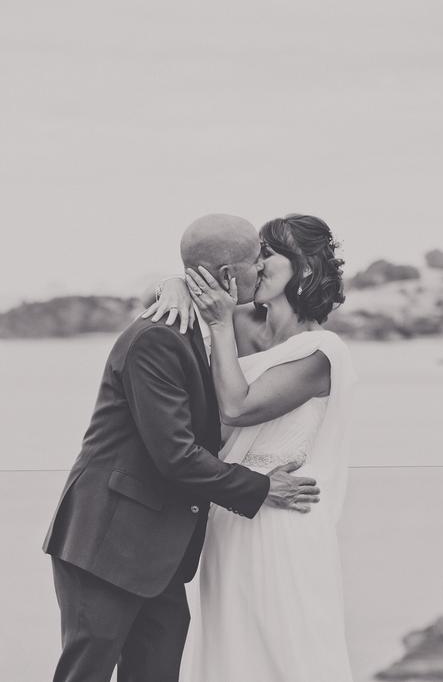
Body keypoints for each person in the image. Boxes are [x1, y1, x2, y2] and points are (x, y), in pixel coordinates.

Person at [42, 214, 321, 682]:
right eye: (257, 260)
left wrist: (175, 281)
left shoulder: (224, 327)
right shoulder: (157, 338)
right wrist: (262, 488)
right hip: (107, 543)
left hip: (160, 554)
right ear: (231, 276)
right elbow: (175, 456)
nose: (264, 268)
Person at [143, 213, 357, 682]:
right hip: (230, 513)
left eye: (267, 253)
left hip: (285, 519)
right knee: (233, 653)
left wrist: (219, 325)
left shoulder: (322, 352)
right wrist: (174, 284)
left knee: (293, 650)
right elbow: (172, 311)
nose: (254, 264)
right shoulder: (239, 321)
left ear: (302, 267)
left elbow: (237, 408)